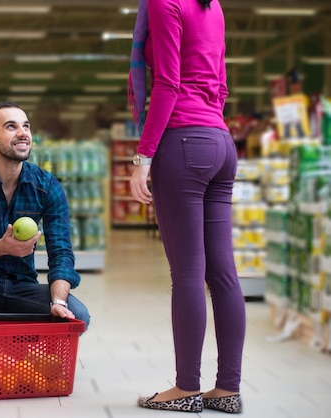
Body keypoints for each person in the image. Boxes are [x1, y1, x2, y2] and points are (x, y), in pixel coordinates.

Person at [128, 0, 245, 414]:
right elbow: (222, 84)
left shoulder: (165, 3)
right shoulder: (211, 6)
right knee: (223, 273)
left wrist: (143, 157)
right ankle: (227, 388)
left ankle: (186, 388)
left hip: (183, 141)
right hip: (220, 141)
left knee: (189, 274)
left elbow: (168, 84)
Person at [0, 101, 90, 327]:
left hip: (22, 286)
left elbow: (61, 253)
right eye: (11, 127)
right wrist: (1, 247)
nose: (23, 133)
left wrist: (58, 300)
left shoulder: (47, 186)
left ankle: (18, 349)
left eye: (26, 126)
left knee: (77, 315)